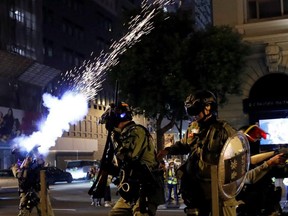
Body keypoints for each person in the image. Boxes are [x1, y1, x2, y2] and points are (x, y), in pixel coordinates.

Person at [157, 90, 286, 216]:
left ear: (208, 108)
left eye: (196, 111)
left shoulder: (224, 131)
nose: (194, 116)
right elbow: (184, 145)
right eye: (191, 112)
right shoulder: (194, 128)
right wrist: (167, 150)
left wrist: (269, 161)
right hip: (196, 194)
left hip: (218, 194)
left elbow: (240, 164)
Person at [103, 102, 165, 216]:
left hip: (146, 188)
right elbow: (126, 167)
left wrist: (116, 138)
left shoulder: (136, 131)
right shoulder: (124, 135)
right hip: (132, 189)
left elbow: (128, 155)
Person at [11, 146, 45, 216]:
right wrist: (25, 167)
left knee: (44, 211)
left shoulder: (33, 163)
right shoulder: (16, 166)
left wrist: (36, 151)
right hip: (25, 191)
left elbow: (41, 163)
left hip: (36, 190)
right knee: (24, 213)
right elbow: (20, 176)